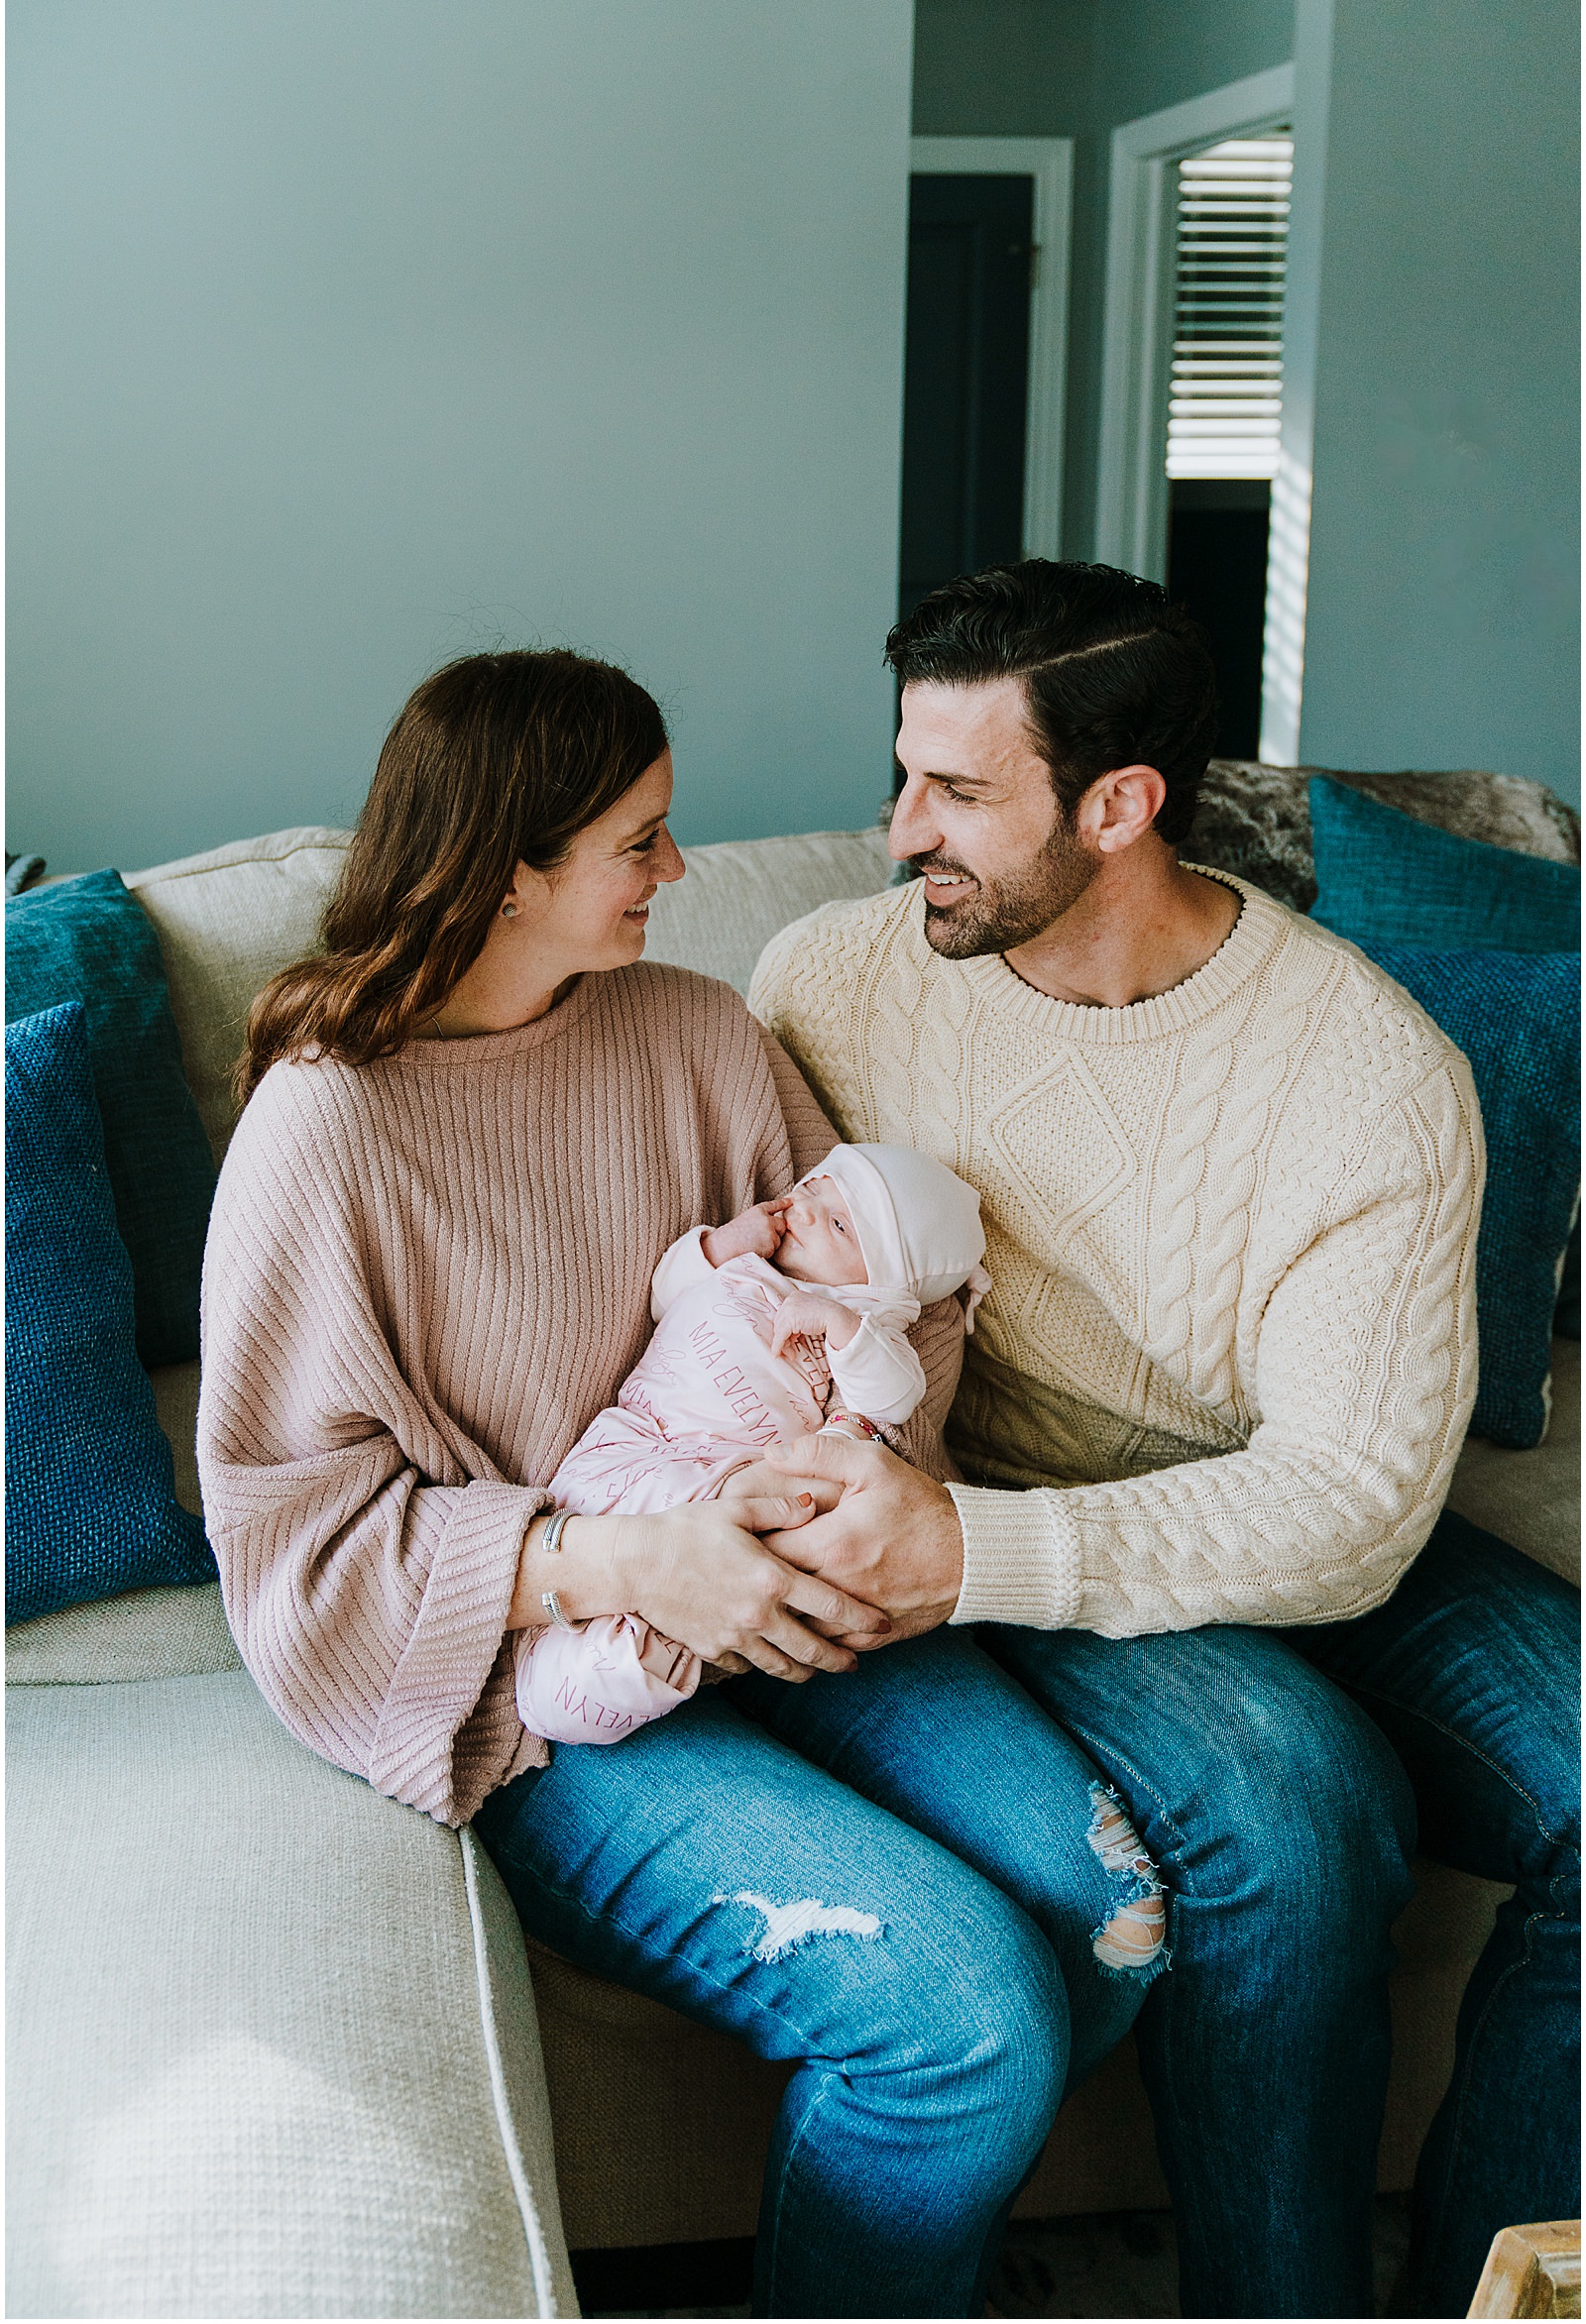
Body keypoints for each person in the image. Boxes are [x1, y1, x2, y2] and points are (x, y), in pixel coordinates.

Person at [198, 646, 1172, 2321]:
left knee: (1114, 1914)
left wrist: (834, 1487)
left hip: (800, 1597)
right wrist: (629, 1563)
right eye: (638, 839)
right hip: (552, 1687)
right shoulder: (327, 1130)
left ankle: (879, 2230)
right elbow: (298, 1535)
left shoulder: (696, 1033)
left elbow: (885, 1315)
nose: (677, 869)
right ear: (512, 862)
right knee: (965, 2015)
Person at [749, 558, 1581, 2321]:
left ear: (1120, 805)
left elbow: (1351, 1501)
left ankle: (1491, 2296)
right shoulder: (826, 983)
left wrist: (971, 1550)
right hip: (994, 1492)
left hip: (1266, 1509)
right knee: (1292, 1805)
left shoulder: (1365, 1071)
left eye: (960, 793)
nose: (901, 834)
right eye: (902, 772)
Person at [515, 1143, 997, 1746]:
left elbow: (893, 1398)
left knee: (726, 1531)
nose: (808, 1209)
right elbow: (666, 1294)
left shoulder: (868, 1326)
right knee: (582, 1504)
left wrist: (842, 1327)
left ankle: (636, 1658)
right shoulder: (743, 1265)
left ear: (886, 1283)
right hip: (638, 1434)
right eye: (816, 1187)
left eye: (840, 1223)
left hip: (724, 1475)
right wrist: (718, 1247)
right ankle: (589, 1618)